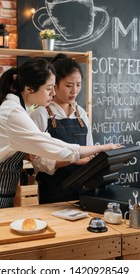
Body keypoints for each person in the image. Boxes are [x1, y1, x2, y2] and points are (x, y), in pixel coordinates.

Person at [0, 57, 119, 213]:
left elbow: (26, 144)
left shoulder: (20, 109)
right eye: (49, 88)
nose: (52, 93)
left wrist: (26, 154)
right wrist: (104, 147)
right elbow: (50, 145)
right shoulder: (13, 112)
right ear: (29, 89)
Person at [30, 54, 109, 203]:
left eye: (78, 84)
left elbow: (89, 150)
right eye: (68, 85)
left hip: (83, 190)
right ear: (55, 84)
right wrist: (73, 159)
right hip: (54, 192)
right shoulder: (40, 114)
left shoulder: (81, 114)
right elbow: (39, 162)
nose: (74, 91)